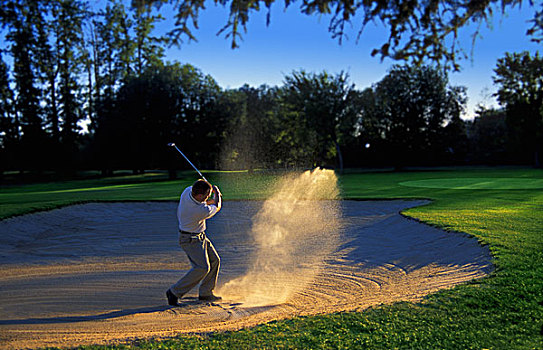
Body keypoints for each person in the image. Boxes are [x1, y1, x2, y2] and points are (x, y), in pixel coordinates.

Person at [166, 179, 223, 305]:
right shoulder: (200, 211)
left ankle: (206, 293)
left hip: (200, 236)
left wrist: (209, 192)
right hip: (190, 240)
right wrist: (217, 194)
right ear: (199, 195)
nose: (207, 197)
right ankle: (174, 292)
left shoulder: (187, 191)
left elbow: (207, 202)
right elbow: (217, 206)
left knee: (215, 261)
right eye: (206, 196)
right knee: (202, 267)